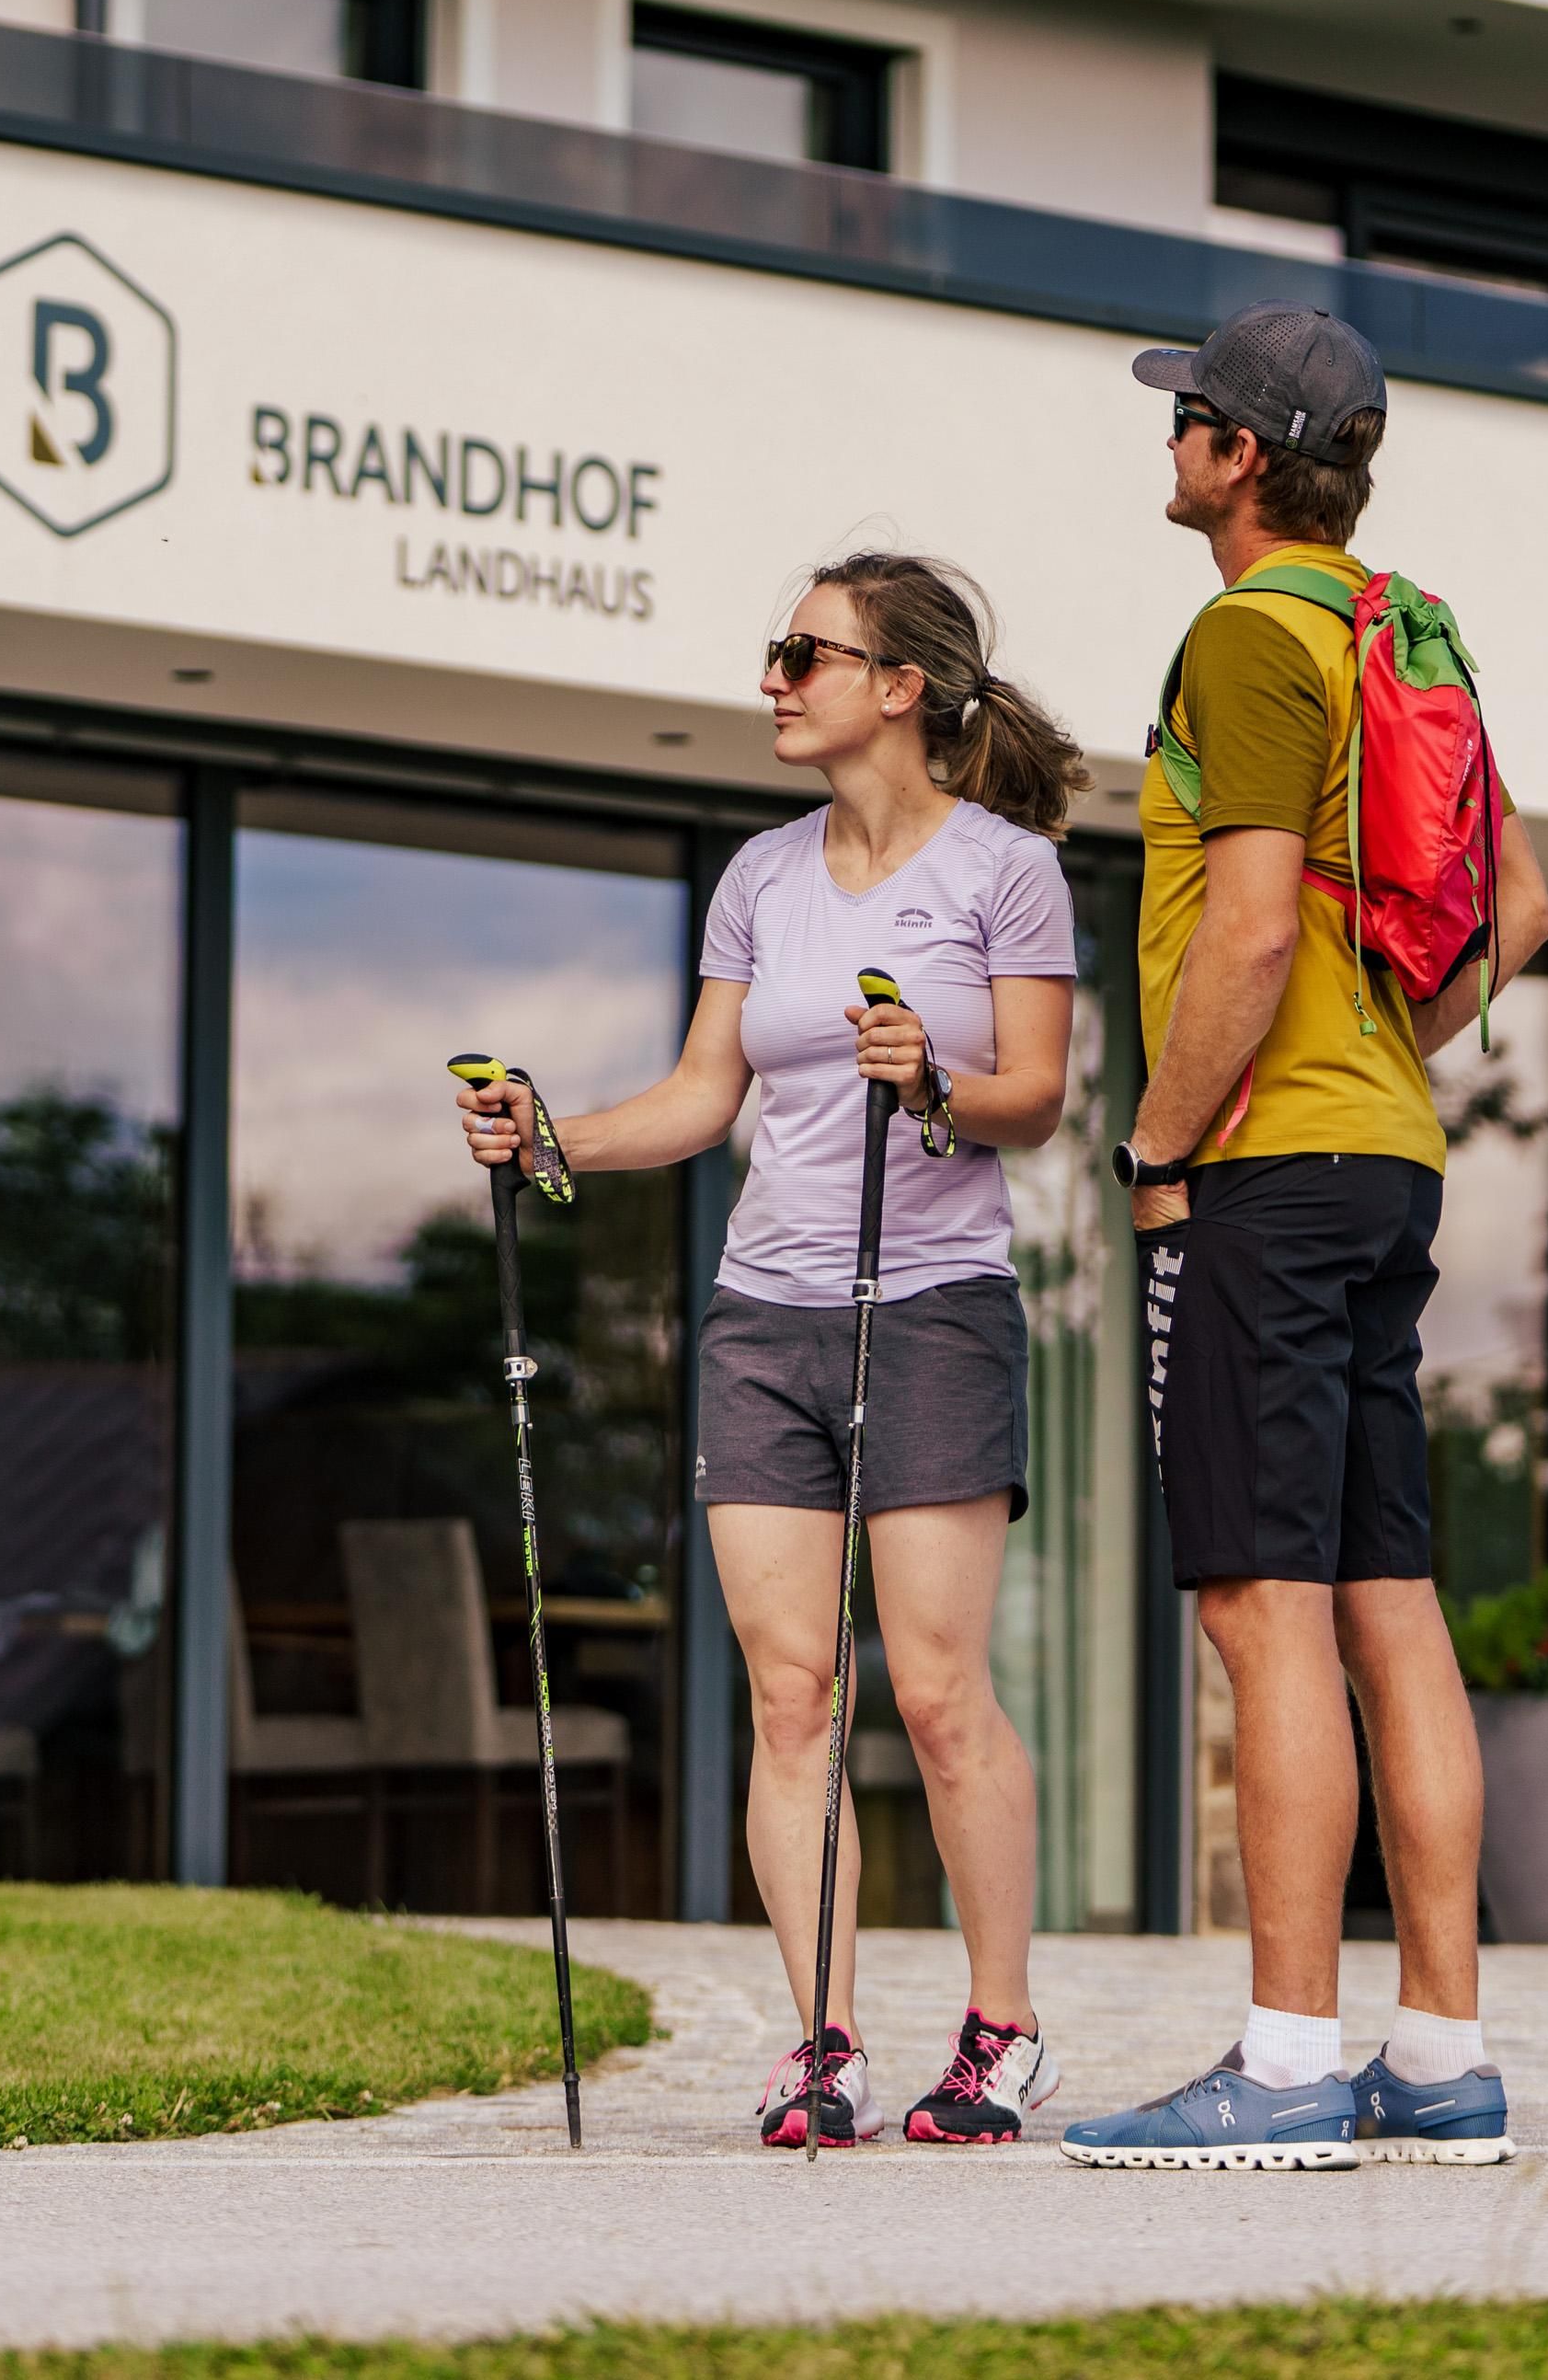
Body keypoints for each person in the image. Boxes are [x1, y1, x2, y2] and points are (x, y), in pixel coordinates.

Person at [456, 551, 1084, 2151]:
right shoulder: (761, 875)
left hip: (932, 1308)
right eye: (777, 652)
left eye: (805, 654)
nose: (774, 680)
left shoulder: (1006, 870)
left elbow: (1033, 1097)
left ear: (901, 687)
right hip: (764, 1315)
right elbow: (701, 1094)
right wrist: (552, 1138)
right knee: (794, 1693)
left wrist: (931, 1078)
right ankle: (823, 2043)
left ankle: (1002, 2031)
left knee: (934, 1692)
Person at [1060, 305, 1548, 2175]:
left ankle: (1282, 2065)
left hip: (1267, 1168)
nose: (1169, 438)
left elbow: (1253, 928)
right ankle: (1438, 2056)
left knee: (1259, 1601)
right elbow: (1522, 909)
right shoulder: (1403, 629)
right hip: (1388, 1157)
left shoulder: (1249, 636)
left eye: (1188, 414)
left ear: (1243, 456)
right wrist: (1381, 1053)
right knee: (1384, 1598)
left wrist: (1157, 1144)